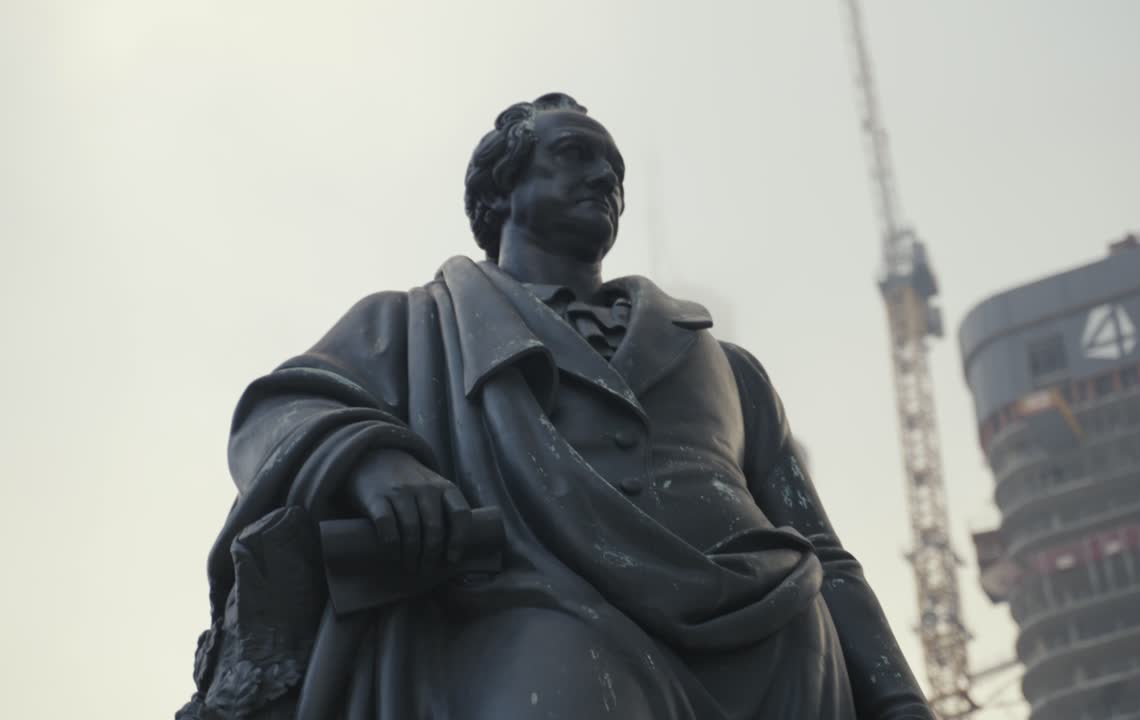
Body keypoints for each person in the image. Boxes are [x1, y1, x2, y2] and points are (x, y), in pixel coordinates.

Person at [179, 93, 932, 720]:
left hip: (780, 654)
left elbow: (824, 551)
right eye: (575, 153)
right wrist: (376, 463)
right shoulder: (411, 325)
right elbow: (277, 414)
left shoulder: (729, 366)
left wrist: (898, 699)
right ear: (501, 188)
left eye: (615, 168)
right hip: (542, 616)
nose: (605, 174)